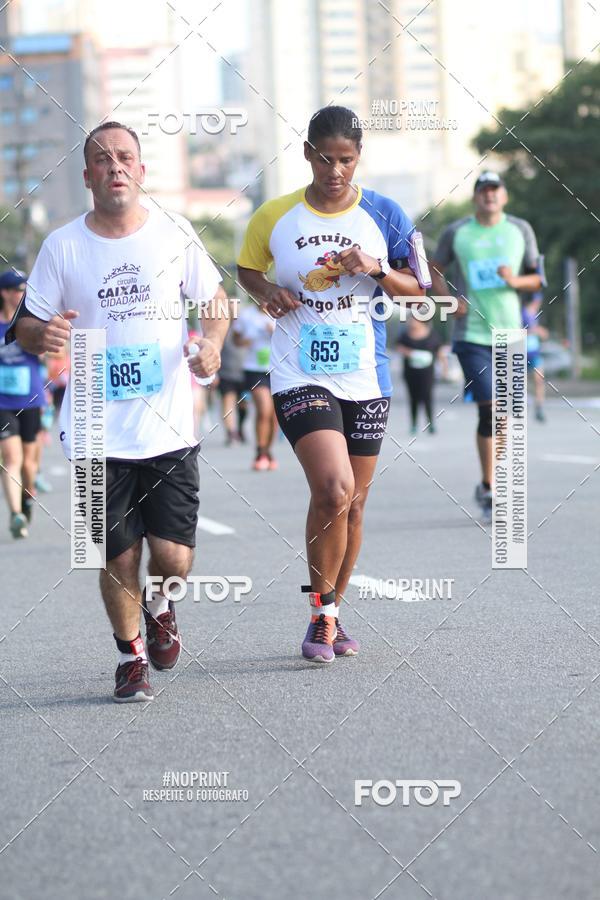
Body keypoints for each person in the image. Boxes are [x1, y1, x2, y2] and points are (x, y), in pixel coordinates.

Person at [8, 121, 229, 702]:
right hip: (92, 429)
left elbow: (215, 300)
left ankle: (162, 607)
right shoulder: (63, 246)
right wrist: (40, 335)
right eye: (103, 160)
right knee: (116, 555)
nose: (115, 168)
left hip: (168, 426)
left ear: (141, 170)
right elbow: (25, 324)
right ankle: (130, 657)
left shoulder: (174, 233)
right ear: (88, 176)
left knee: (174, 559)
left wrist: (212, 344)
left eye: (125, 157)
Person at [237, 105, 426, 663]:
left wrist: (375, 268)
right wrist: (266, 293)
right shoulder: (275, 215)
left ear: (359, 156)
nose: (335, 170)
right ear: (307, 154)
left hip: (366, 373)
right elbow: (248, 269)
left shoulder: (386, 214)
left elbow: (420, 292)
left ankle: (333, 613)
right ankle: (320, 618)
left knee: (355, 505)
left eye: (345, 160)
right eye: (324, 159)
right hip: (299, 372)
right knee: (334, 489)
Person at [431, 171, 544, 523]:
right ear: (475, 197)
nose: (489, 195)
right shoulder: (457, 232)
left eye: (495, 190)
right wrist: (448, 300)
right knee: (491, 409)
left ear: (504, 196)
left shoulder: (520, 229)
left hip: (510, 333)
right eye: (483, 190)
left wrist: (515, 280)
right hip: (471, 335)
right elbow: (432, 269)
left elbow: (538, 278)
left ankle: (488, 482)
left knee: (504, 416)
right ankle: (490, 485)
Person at [0, 269, 44, 537]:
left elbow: (55, 353)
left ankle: (27, 498)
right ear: (5, 293)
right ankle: (15, 514)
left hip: (31, 399)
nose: (22, 294)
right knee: (11, 458)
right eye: (18, 290)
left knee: (29, 464)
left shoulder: (30, 322)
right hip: (2, 403)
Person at [232, 301, 277, 470]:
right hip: (255, 370)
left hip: (278, 369)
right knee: (264, 409)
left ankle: (268, 451)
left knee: (274, 416)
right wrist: (246, 341)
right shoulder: (247, 314)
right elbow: (235, 340)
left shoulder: (279, 313)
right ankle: (260, 452)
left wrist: (275, 333)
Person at [397, 313, 443, 435]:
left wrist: (444, 368)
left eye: (414, 320)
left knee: (427, 396)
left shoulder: (432, 334)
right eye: (410, 320)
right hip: (411, 372)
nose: (411, 322)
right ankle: (413, 424)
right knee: (413, 398)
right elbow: (399, 347)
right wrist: (410, 353)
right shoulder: (405, 335)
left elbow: (439, 351)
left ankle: (430, 423)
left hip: (427, 372)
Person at [217, 327, 247, 445]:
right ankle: (231, 433)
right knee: (228, 402)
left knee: (243, 405)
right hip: (225, 374)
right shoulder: (220, 328)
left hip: (245, 374)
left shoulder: (246, 327)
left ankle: (240, 428)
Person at [522, 292, 548, 422]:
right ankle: (522, 405)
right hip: (522, 351)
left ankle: (539, 408)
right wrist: (536, 331)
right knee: (522, 382)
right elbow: (518, 330)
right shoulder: (521, 313)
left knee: (539, 379)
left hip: (534, 352)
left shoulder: (535, 314)